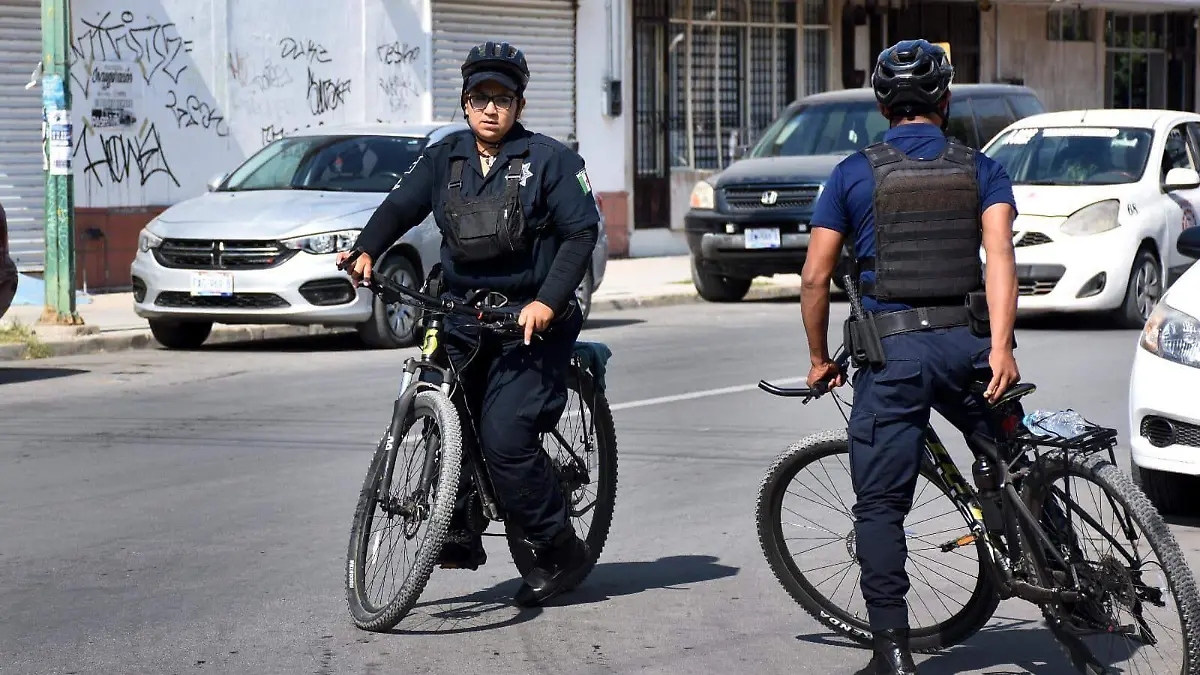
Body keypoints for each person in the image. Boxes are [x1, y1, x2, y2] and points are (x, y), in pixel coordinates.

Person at [338, 40, 599, 608]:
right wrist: (367, 248)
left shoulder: (552, 161)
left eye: (502, 99)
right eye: (480, 98)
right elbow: (400, 206)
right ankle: (457, 526)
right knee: (448, 417)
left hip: (530, 321)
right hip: (462, 313)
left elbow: (581, 232)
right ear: (464, 103)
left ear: (519, 104)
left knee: (505, 437)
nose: (490, 109)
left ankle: (560, 546)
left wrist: (547, 302)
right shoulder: (444, 158)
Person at [800, 39, 1021, 675]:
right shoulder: (981, 168)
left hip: (892, 355)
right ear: (944, 102)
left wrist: (819, 358)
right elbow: (1000, 256)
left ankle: (893, 652)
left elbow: (815, 278)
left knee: (880, 506)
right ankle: (1067, 577)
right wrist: (1001, 345)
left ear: (881, 107)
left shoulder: (852, 174)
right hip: (971, 349)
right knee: (1013, 461)